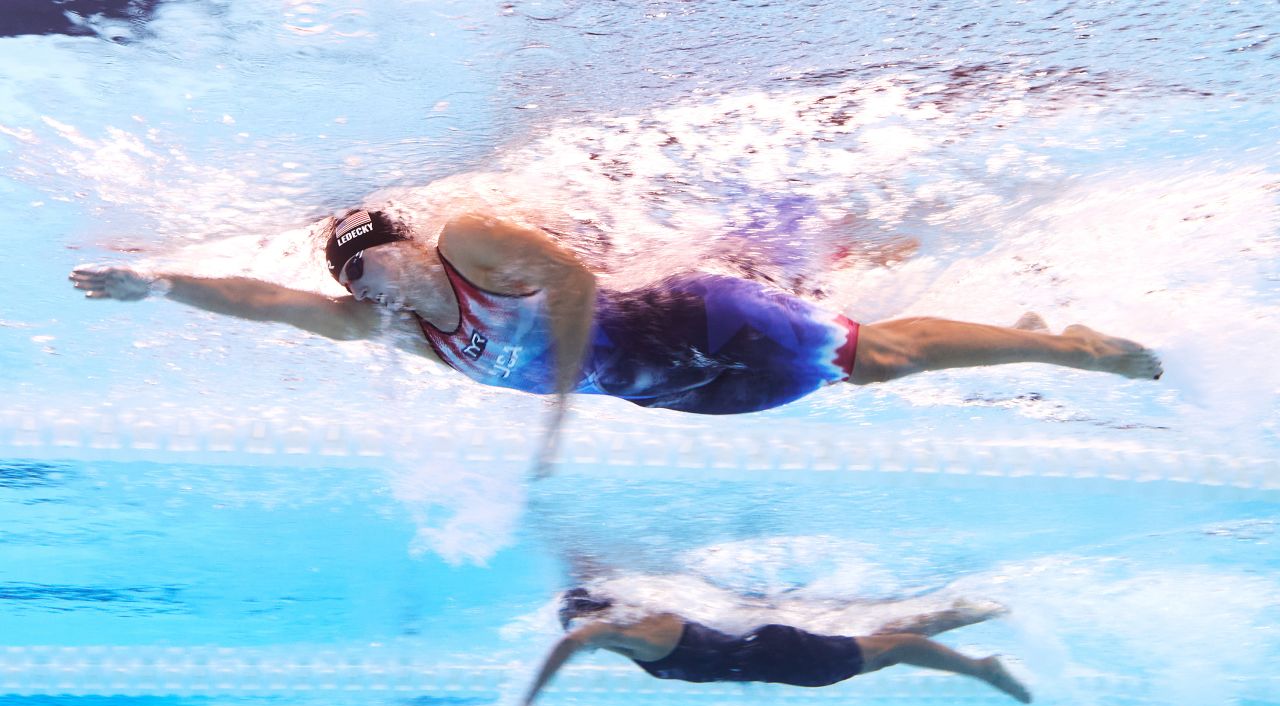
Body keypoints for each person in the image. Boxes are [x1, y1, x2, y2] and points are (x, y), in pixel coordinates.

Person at [70, 207, 1163, 470]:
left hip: (687, 318)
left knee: (859, 356)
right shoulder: (389, 329)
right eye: (355, 273)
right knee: (851, 374)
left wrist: (552, 403)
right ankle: (1004, 333)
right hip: (662, 393)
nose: (372, 279)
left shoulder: (468, 242)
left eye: (377, 256)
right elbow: (266, 304)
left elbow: (574, 274)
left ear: (409, 238)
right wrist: (155, 285)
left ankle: (1063, 345)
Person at [500, 586, 1031, 706]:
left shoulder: (627, 633)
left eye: (579, 627)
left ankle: (982, 667)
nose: (583, 640)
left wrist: (525, 704)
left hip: (782, 658)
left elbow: (574, 643)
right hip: (770, 650)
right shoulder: (643, 619)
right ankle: (959, 614)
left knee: (887, 649)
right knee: (881, 646)